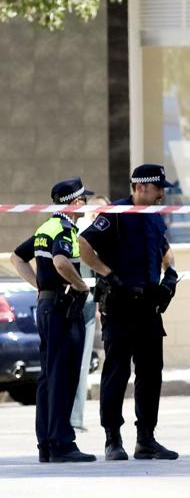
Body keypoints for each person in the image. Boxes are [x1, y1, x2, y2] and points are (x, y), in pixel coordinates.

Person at [78, 164, 181, 461]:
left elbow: (164, 249)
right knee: (117, 372)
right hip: (121, 305)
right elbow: (84, 244)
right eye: (158, 187)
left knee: (150, 373)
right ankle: (113, 439)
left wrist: (170, 275)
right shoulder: (115, 213)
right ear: (140, 187)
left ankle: (146, 439)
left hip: (148, 305)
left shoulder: (154, 217)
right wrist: (107, 273)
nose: (162, 193)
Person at [9, 178, 97, 463]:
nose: (85, 204)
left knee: (49, 377)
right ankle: (62, 443)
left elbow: (16, 257)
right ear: (74, 203)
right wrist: (81, 285)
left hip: (47, 304)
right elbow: (61, 262)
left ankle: (47, 443)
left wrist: (39, 285)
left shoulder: (44, 227)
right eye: (83, 200)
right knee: (64, 375)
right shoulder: (63, 229)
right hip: (62, 308)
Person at [71, 195, 110, 432]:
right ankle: (74, 418)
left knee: (65, 362)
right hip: (83, 301)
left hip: (66, 302)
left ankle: (65, 417)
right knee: (81, 362)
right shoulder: (90, 232)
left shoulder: (70, 227)